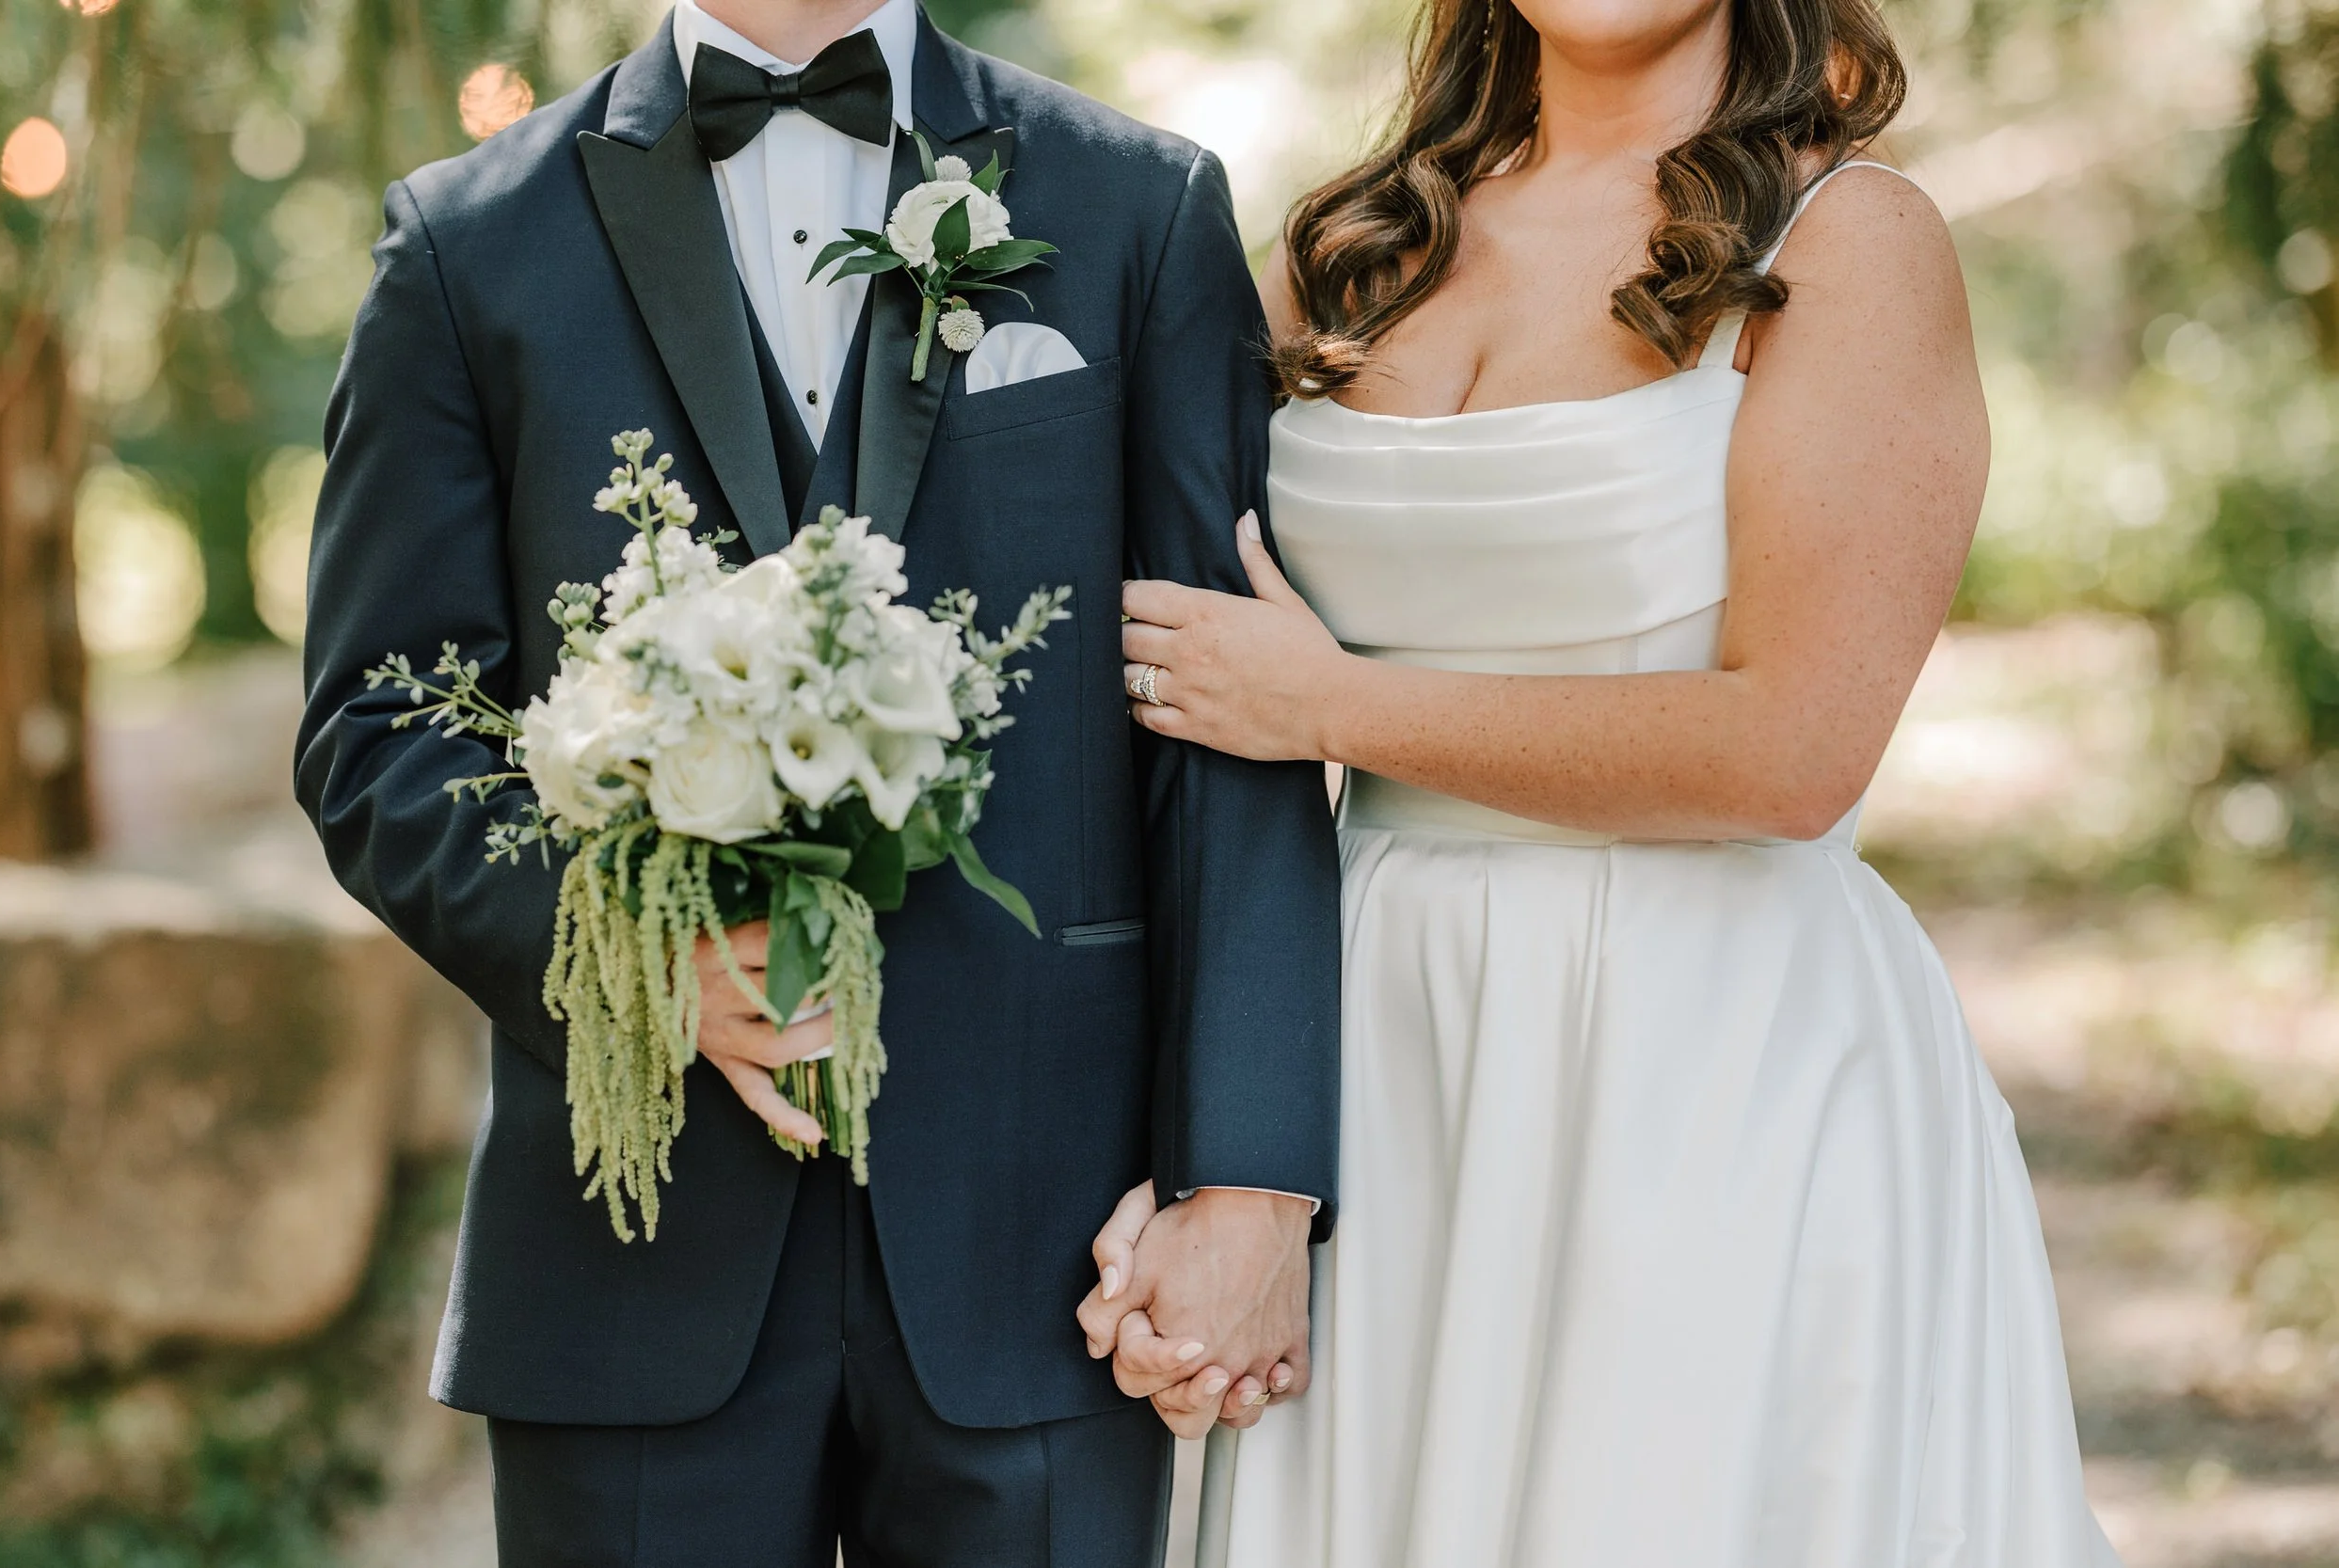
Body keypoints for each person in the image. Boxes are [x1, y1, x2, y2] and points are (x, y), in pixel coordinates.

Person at [292, 1, 1342, 1561]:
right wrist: (641, 956)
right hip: (633, 1264)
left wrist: (1252, 1173)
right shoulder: (466, 247)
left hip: (1049, 1248)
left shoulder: (1137, 207)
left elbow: (1227, 706)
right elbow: (381, 733)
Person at [1079, 0, 2127, 1560]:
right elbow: (1168, 720)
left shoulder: (1852, 238)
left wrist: (1339, 708)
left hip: (1705, 1061)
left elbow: (1792, 750)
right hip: (1370, 1051)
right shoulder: (1349, 243)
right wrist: (1196, 1138)